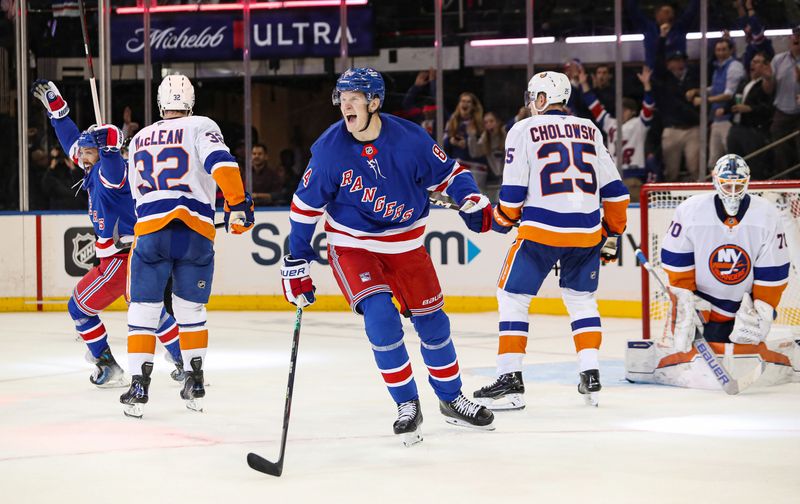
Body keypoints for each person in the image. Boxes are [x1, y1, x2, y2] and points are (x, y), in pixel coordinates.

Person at [281, 67, 495, 447]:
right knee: (381, 318)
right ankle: (407, 404)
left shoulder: (410, 139)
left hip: (406, 245)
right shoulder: (329, 149)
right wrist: (296, 260)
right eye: (342, 98)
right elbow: (304, 208)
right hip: (353, 246)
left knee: (434, 324)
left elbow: (449, 174)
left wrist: (471, 197)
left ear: (375, 102)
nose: (345, 105)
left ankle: (451, 399)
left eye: (354, 99)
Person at [472, 71, 629, 409]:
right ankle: (590, 373)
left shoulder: (523, 129)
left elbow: (512, 194)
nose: (530, 104)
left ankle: (510, 381)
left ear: (543, 99)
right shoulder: (590, 129)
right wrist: (611, 232)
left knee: (512, 297)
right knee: (581, 298)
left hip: (541, 232)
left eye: (533, 97)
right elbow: (616, 191)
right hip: (587, 234)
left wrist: (500, 219)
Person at [31, 79, 184, 388]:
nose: (81, 157)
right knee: (149, 311)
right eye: (83, 153)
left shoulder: (109, 171)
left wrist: (112, 144)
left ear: (100, 153)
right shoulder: (92, 165)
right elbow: (72, 142)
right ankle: (184, 360)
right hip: (135, 255)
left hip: (119, 260)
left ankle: (106, 364)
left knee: (79, 307)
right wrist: (58, 113)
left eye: (89, 152)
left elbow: (113, 164)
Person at [122, 74, 254, 418]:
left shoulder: (139, 138)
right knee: (191, 311)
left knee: (144, 311)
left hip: (151, 229)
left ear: (160, 104)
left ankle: (138, 385)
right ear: (190, 102)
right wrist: (238, 202)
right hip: (195, 231)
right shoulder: (200, 125)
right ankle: (194, 380)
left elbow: (134, 191)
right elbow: (221, 164)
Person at [625, 155, 795, 388]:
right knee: (687, 352)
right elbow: (677, 263)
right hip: (701, 309)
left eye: (738, 184)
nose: (733, 191)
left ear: (748, 182)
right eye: (727, 184)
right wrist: (685, 304)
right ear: (715, 181)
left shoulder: (765, 214)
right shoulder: (691, 210)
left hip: (744, 313)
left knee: (744, 351)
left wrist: (762, 310)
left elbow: (773, 270)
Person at [580, 65, 655, 201]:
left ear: (632, 111)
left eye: (626, 109)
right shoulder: (611, 123)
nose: (622, 112)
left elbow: (648, 107)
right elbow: (594, 106)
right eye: (620, 109)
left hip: (633, 176)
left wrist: (647, 85)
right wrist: (584, 84)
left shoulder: (639, 124)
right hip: (612, 176)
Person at [686, 39, 746, 169]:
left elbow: (729, 94)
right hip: (716, 118)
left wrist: (705, 101)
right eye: (718, 50)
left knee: (731, 157)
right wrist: (697, 91)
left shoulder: (734, 66)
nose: (720, 53)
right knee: (714, 161)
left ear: (731, 50)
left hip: (729, 117)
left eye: (724, 49)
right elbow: (714, 89)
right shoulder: (718, 67)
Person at [653, 44, 701, 181]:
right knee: (670, 170)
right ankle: (669, 200)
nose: (679, 63)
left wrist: (697, 92)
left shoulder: (693, 77)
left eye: (681, 60)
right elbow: (657, 64)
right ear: (668, 64)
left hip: (692, 128)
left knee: (695, 168)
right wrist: (661, 38)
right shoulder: (664, 80)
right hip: (672, 129)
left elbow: (707, 89)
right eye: (675, 60)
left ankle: (699, 197)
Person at [727, 51, 774, 179]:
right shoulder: (745, 82)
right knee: (734, 163)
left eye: (758, 62)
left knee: (753, 165)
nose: (753, 64)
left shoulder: (765, 83)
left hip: (753, 130)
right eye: (753, 61)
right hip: (737, 126)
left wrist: (750, 108)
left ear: (766, 65)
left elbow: (768, 106)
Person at [761, 26, 800, 178]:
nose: (796, 38)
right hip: (782, 110)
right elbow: (768, 90)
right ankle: (784, 180)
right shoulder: (778, 59)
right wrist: (768, 78)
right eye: (794, 35)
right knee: (779, 148)